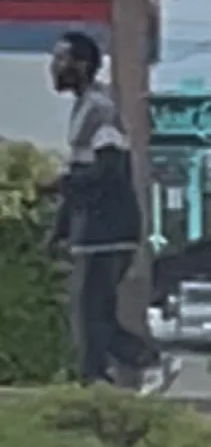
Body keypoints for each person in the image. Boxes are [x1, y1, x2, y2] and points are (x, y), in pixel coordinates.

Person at [45, 31, 175, 392]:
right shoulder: (85, 108)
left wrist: (60, 185)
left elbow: (108, 169)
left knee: (90, 315)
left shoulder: (100, 110)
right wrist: (60, 230)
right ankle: (135, 366)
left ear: (81, 65)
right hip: (94, 231)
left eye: (61, 60)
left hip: (109, 230)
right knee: (93, 315)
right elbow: (80, 173)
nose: (53, 68)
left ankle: (102, 379)